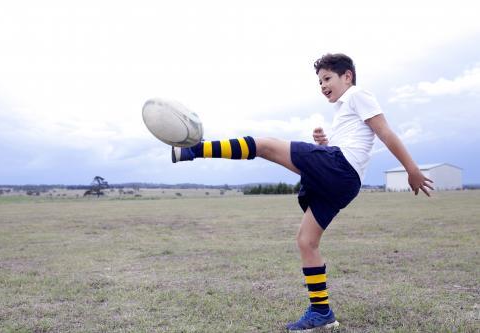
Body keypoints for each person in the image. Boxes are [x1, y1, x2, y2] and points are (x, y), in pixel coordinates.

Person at [171, 53, 434, 331]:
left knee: (266, 146)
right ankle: (322, 314)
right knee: (306, 241)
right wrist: (325, 144)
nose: (322, 85)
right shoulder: (345, 107)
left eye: (327, 78)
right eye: (319, 81)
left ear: (348, 76)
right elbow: (356, 143)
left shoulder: (358, 94)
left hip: (339, 169)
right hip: (344, 179)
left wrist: (411, 168)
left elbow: (385, 133)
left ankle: (193, 149)